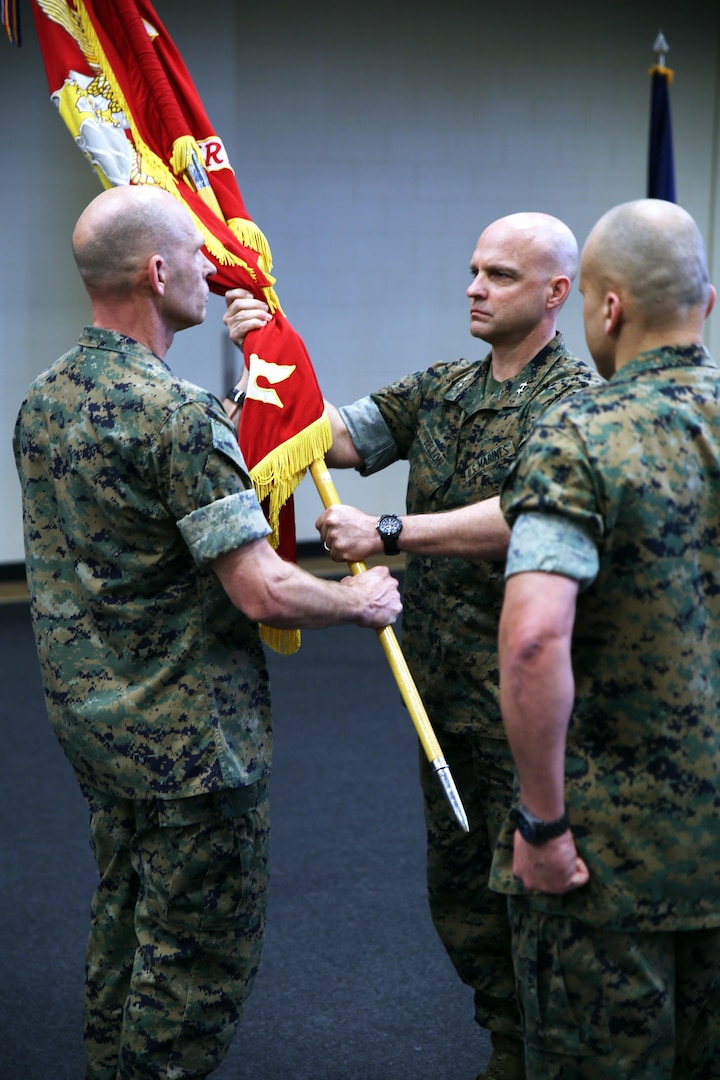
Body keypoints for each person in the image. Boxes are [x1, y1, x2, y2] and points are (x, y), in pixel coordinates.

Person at [12, 184, 401, 1080]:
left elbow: (135, 520)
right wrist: (361, 601)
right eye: (194, 253)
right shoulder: (177, 417)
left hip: (96, 724)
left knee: (125, 919)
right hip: (191, 744)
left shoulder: (44, 400)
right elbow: (261, 590)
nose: (208, 266)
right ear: (157, 271)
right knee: (193, 967)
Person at [224, 211, 603, 1079]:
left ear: (556, 294)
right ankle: (510, 1045)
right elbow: (330, 434)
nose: (474, 287)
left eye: (499, 275)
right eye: (473, 270)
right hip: (440, 695)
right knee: (463, 896)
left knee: (538, 899)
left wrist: (392, 530)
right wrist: (265, 349)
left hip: (529, 699)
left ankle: (551, 1056)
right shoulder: (440, 388)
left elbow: (526, 513)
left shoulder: (576, 406)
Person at [492, 198, 719, 1078]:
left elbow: (534, 642)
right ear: (708, 302)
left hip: (609, 867)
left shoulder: (581, 434)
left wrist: (542, 824)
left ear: (606, 307)